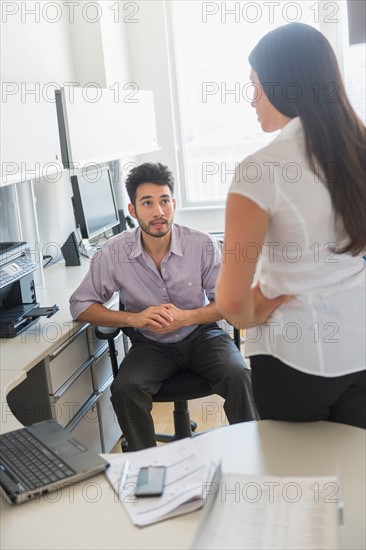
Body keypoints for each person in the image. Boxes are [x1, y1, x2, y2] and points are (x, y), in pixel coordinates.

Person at [216, 23, 366, 428]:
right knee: (358, 477)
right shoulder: (359, 150)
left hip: (295, 360)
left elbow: (231, 303)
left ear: (284, 86)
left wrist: (253, 309)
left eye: (256, 86)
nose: (252, 100)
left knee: (297, 486)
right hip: (360, 348)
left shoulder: (260, 170)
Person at [70, 162, 257, 450]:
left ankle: (251, 454)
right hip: (151, 345)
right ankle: (148, 467)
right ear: (133, 211)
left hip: (202, 336)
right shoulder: (113, 253)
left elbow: (231, 303)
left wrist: (188, 317)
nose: (158, 212)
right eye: (148, 203)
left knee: (239, 375)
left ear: (173, 203)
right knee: (125, 390)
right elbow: (80, 305)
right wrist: (136, 319)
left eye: (164, 201)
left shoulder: (202, 244)